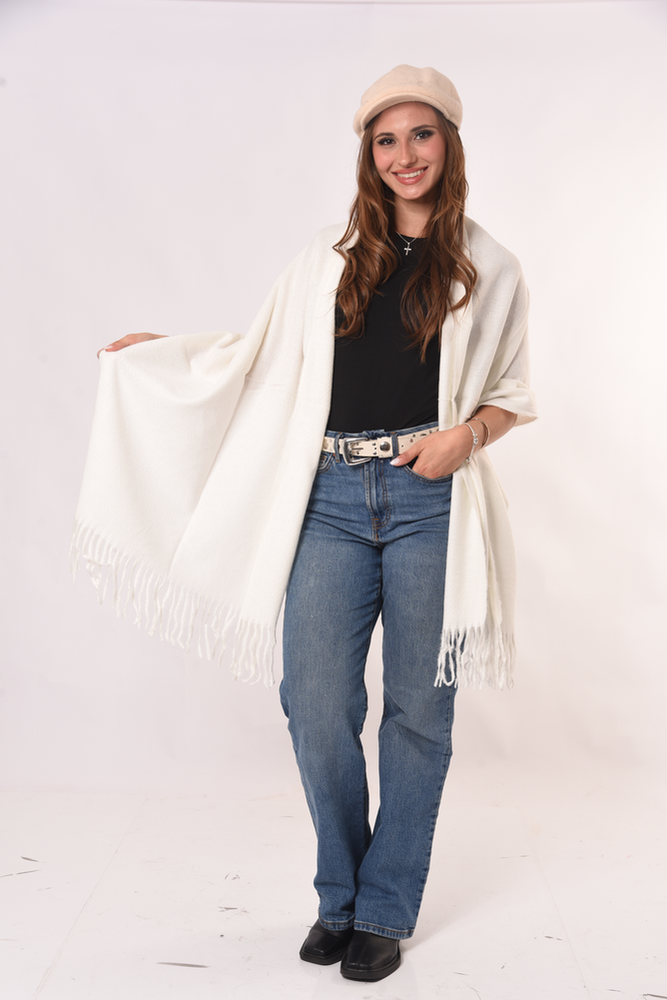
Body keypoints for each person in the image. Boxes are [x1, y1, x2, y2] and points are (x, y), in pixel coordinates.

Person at [80, 65, 536, 983]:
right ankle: (341, 893)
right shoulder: (325, 260)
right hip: (327, 498)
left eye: (421, 134)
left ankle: (382, 909)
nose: (404, 154)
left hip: (428, 498)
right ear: (368, 155)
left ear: (449, 143)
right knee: (316, 703)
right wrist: (162, 355)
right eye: (385, 139)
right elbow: (257, 360)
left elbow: (512, 393)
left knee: (419, 710)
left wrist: (465, 437)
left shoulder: (489, 266)